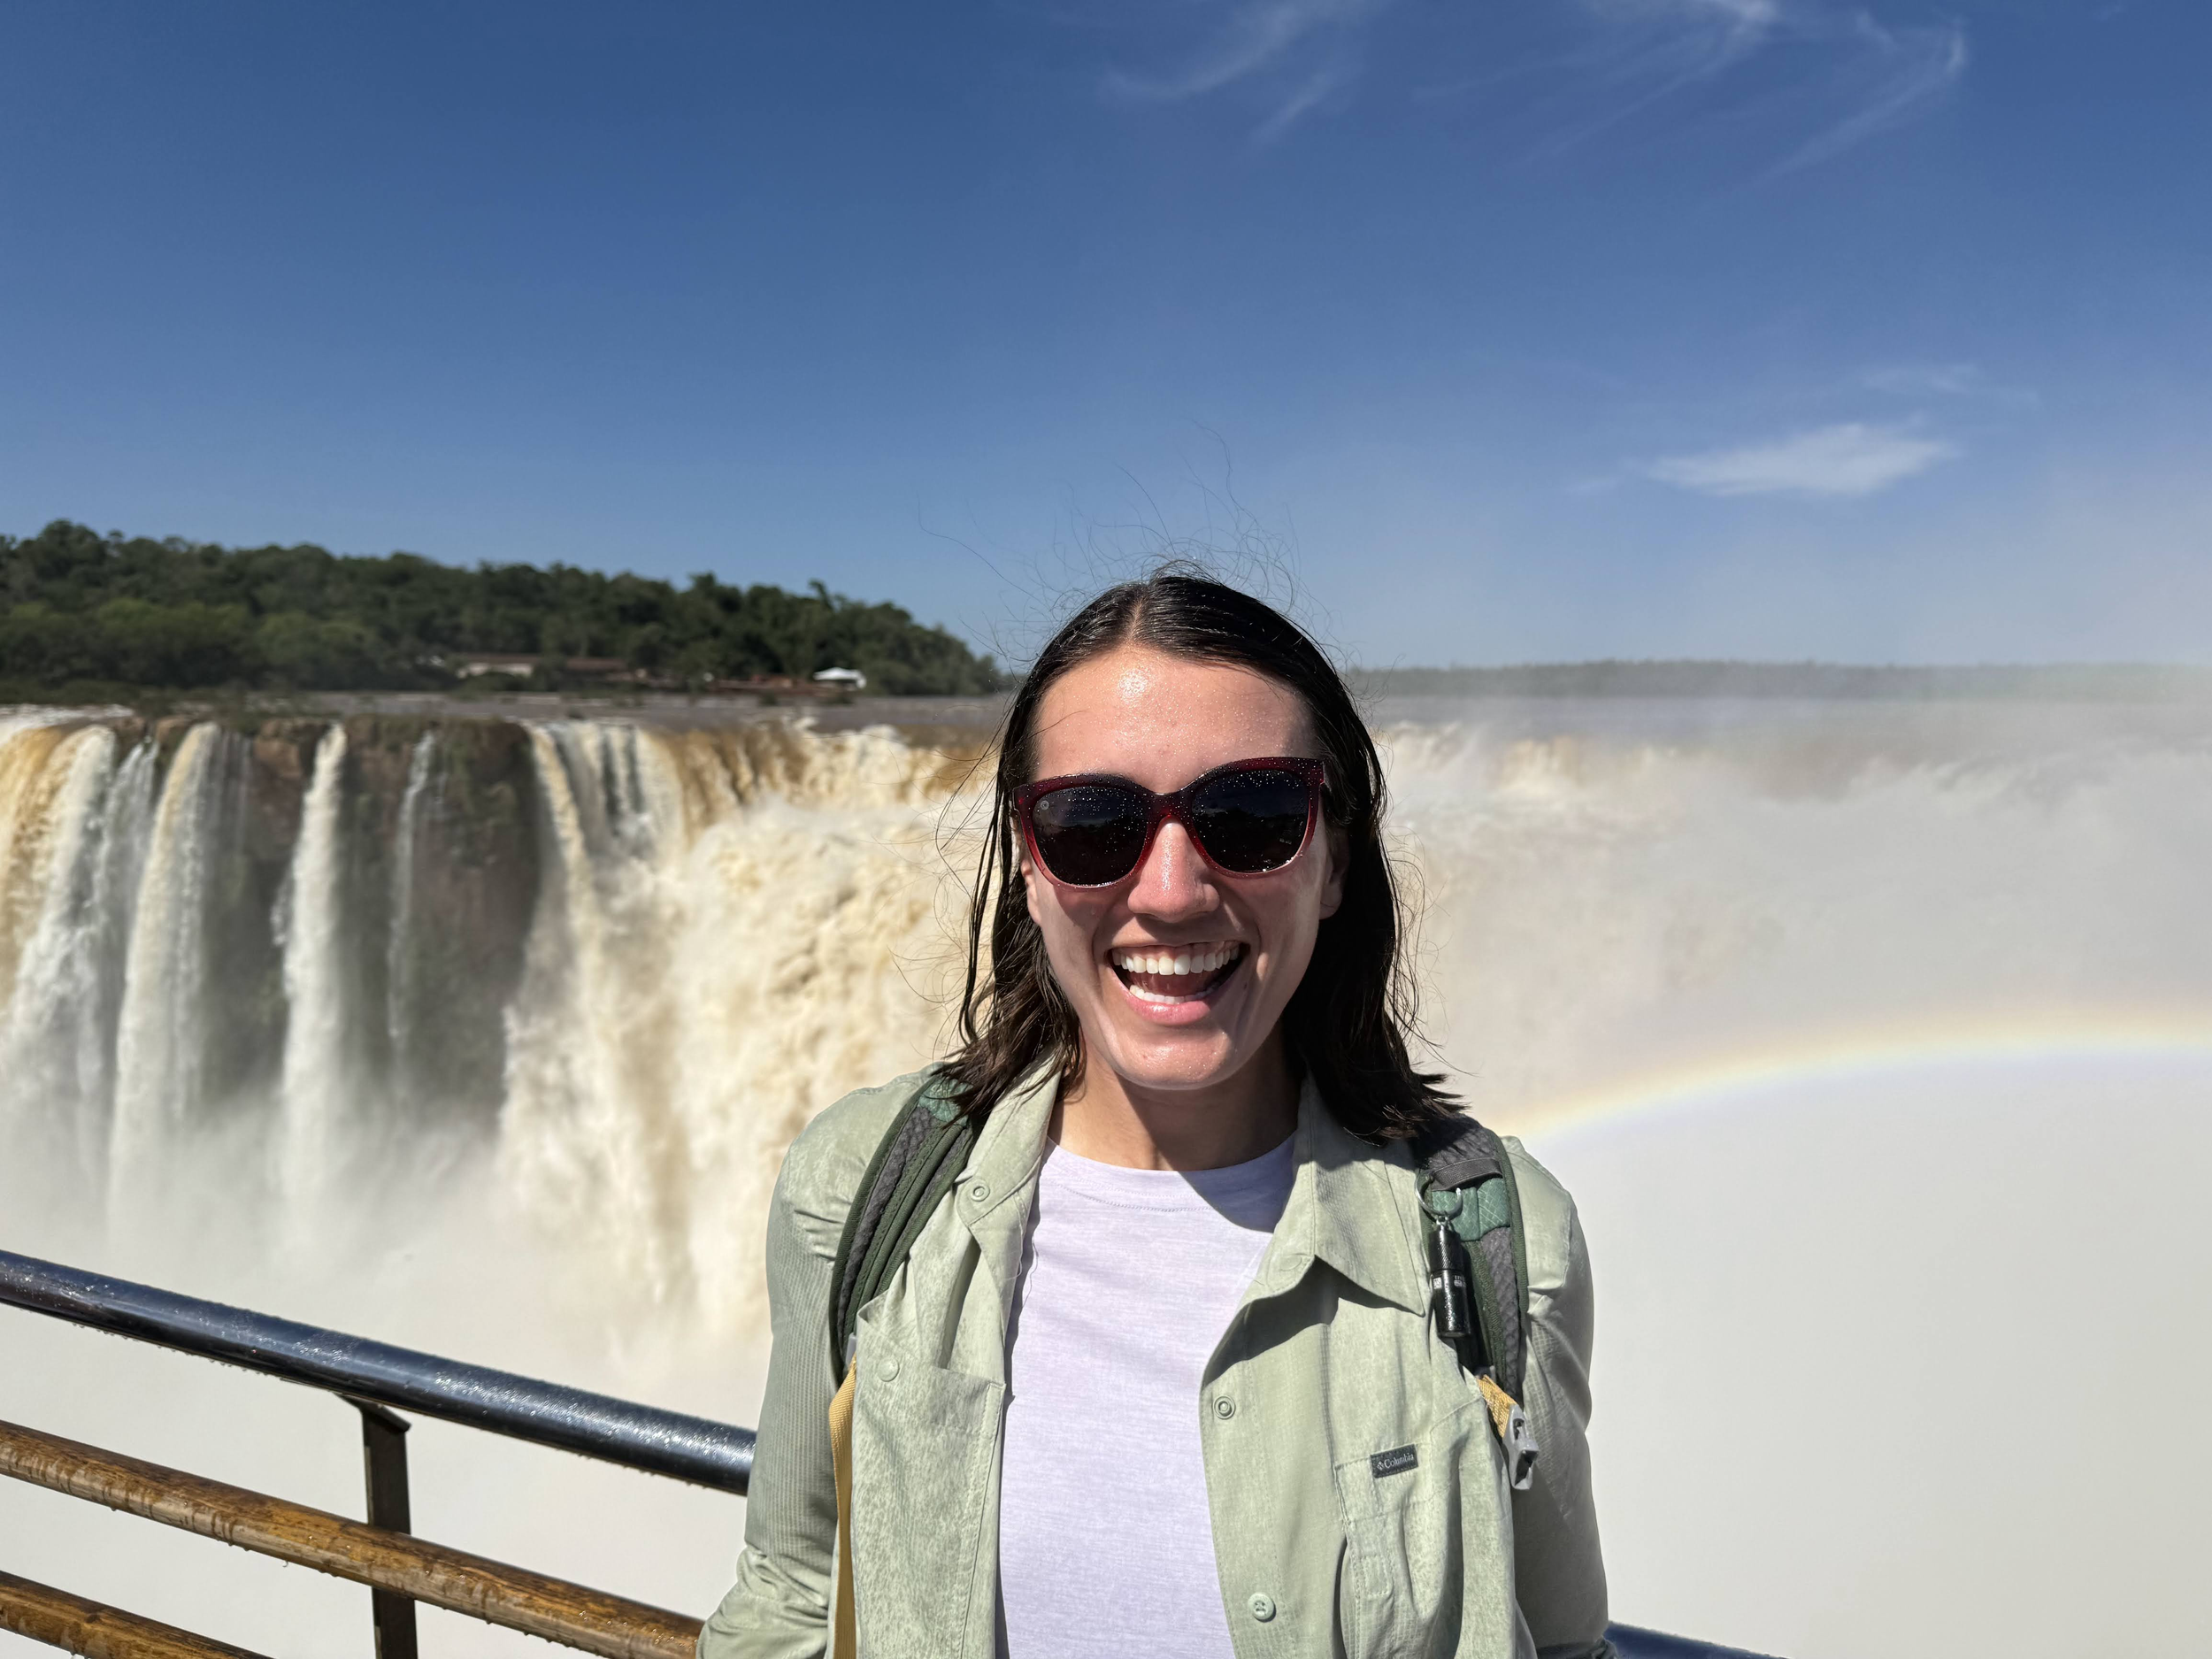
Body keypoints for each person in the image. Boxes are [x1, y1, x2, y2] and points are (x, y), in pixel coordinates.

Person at [700, 572, 1610, 1659]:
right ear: (1029, 871)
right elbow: (794, 1595)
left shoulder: (1497, 1242)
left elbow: (1560, 1647)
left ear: (1332, 861)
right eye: (1093, 825)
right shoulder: (858, 1190)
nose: (1171, 890)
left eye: (1252, 816)